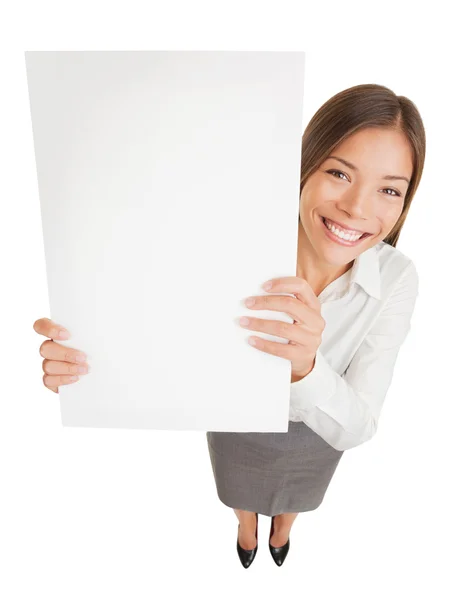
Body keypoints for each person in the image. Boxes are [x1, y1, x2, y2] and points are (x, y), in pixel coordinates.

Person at [33, 83, 426, 570]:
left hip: (321, 432)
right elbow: (158, 323)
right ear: (302, 166)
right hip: (236, 419)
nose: (357, 207)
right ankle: (246, 527)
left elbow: (357, 426)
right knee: (239, 485)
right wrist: (89, 358)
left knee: (297, 494)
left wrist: (305, 368)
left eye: (389, 189)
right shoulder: (230, 235)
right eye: (339, 172)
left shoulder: (396, 277)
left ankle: (283, 527)